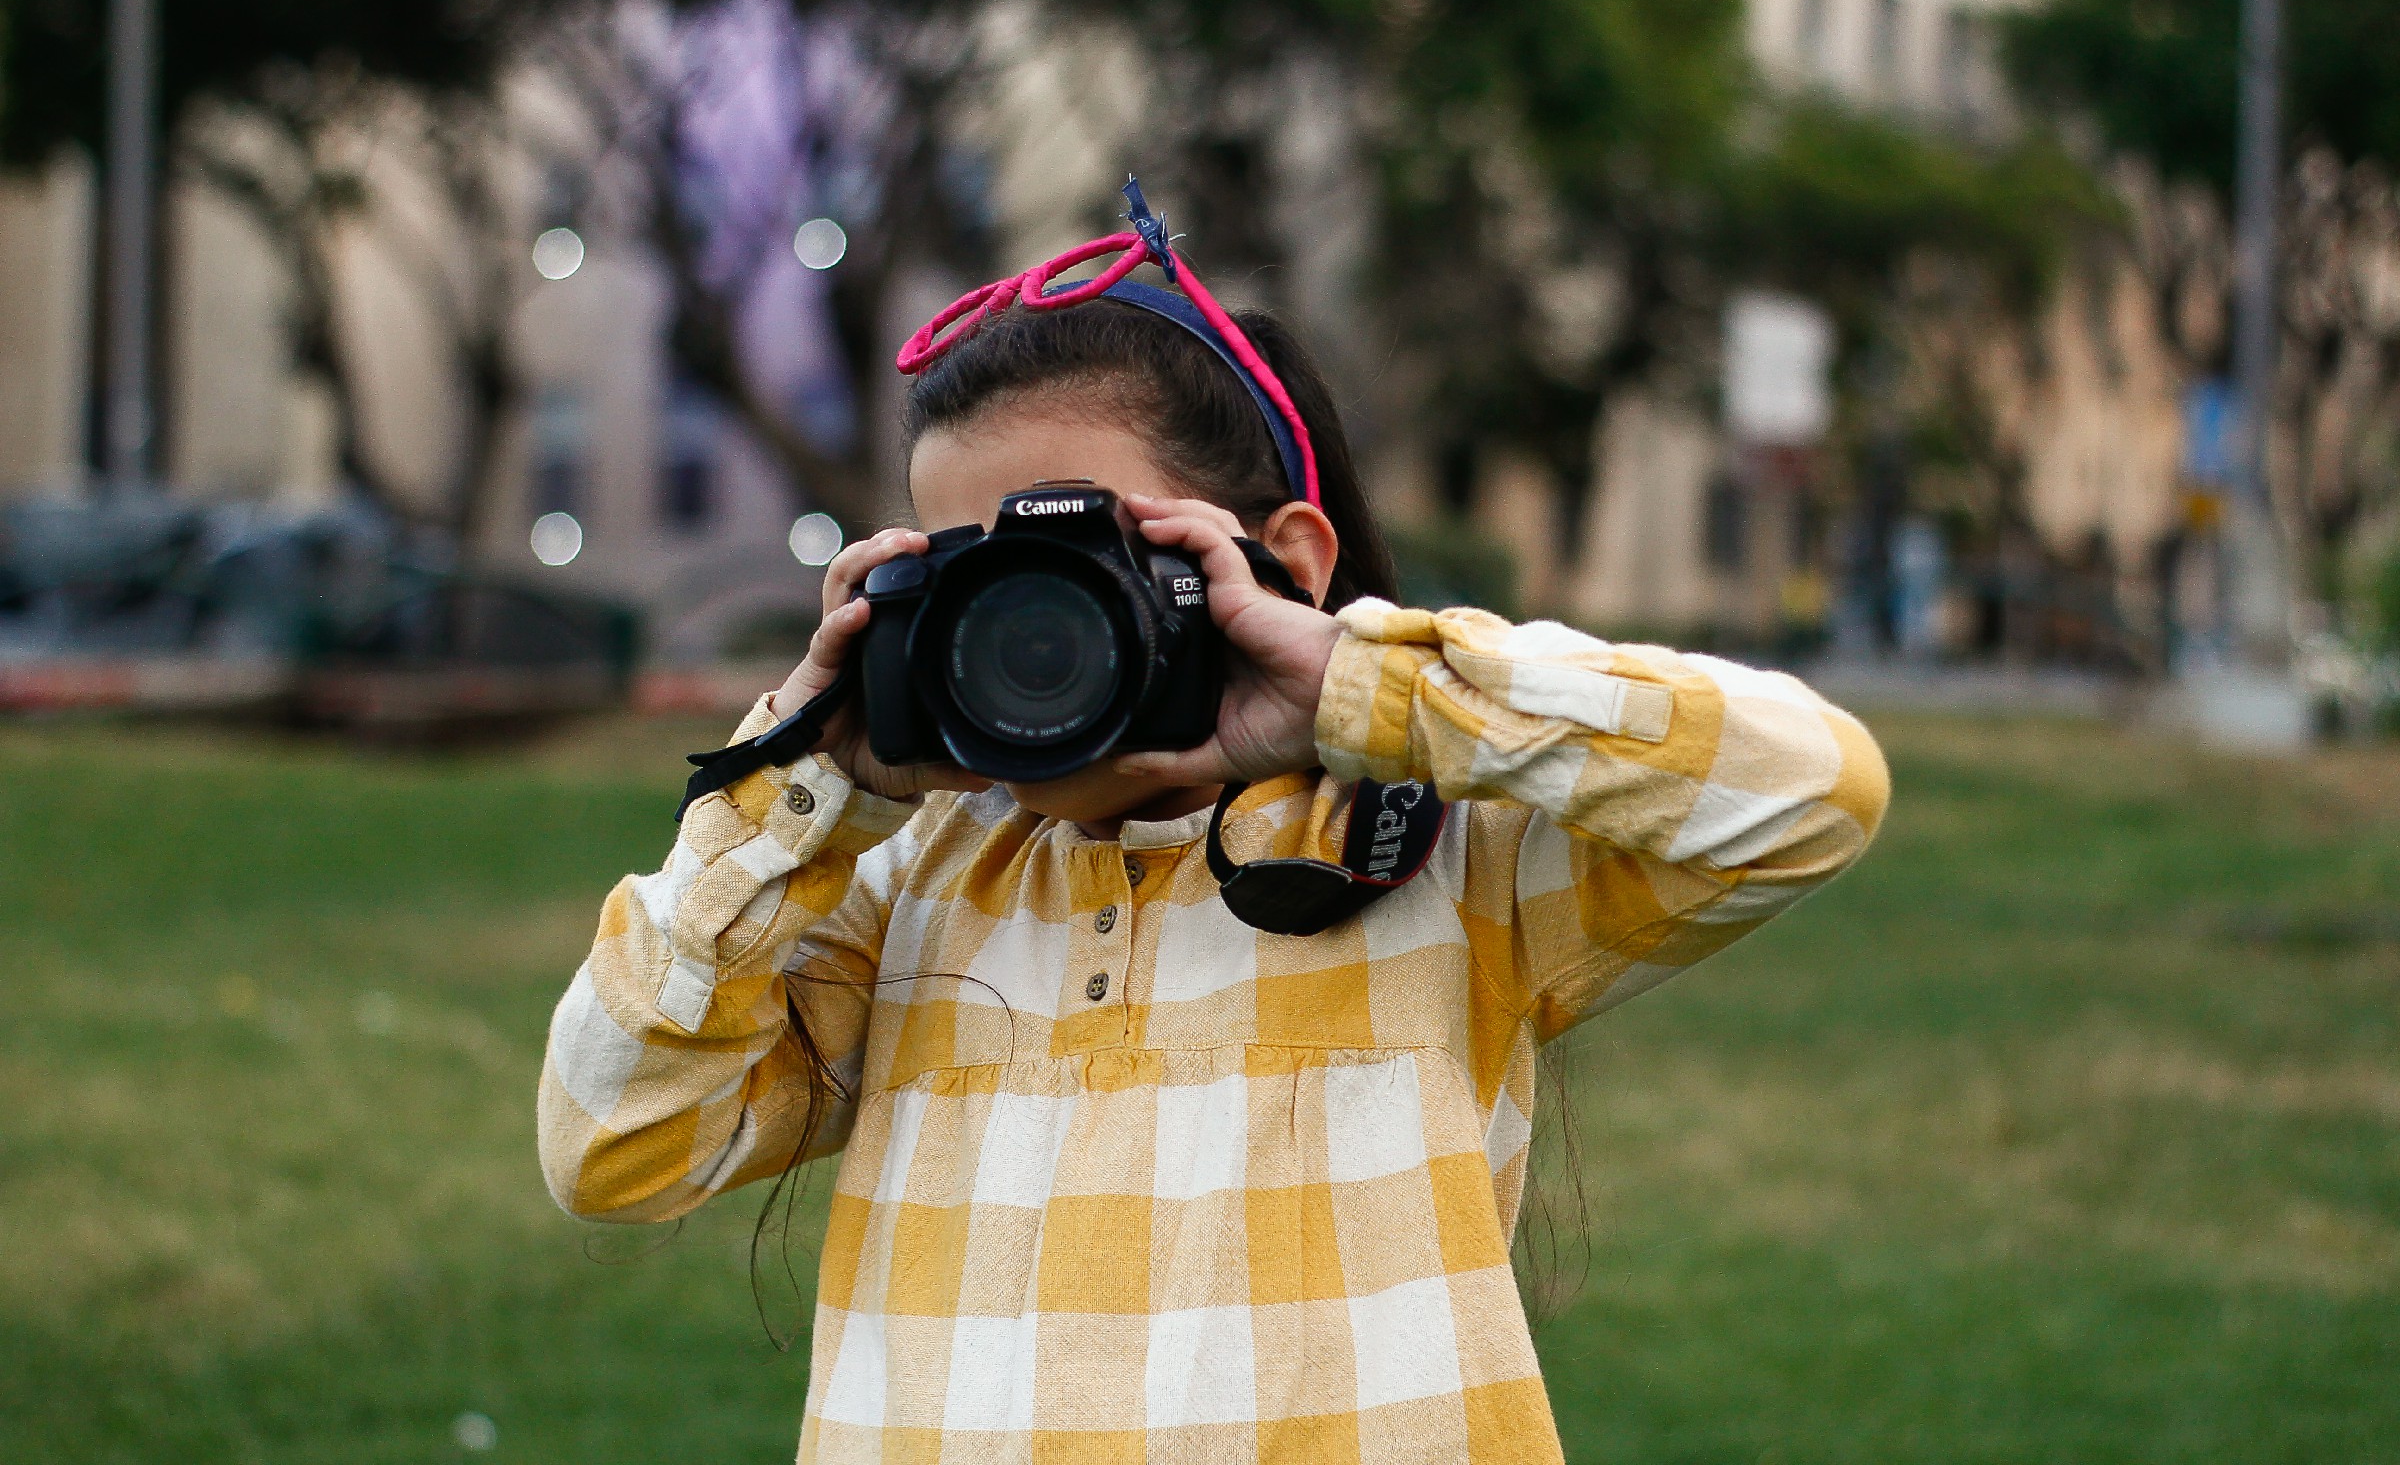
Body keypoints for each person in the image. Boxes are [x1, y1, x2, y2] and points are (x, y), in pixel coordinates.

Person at [538, 190, 1890, 1464]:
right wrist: (795, 785)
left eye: (1078, 568)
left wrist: (1363, 687)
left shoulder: (1435, 852)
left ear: (1280, 564)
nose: (1020, 625)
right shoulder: (906, 887)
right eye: (968, 577)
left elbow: (1809, 790)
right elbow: (613, 1146)